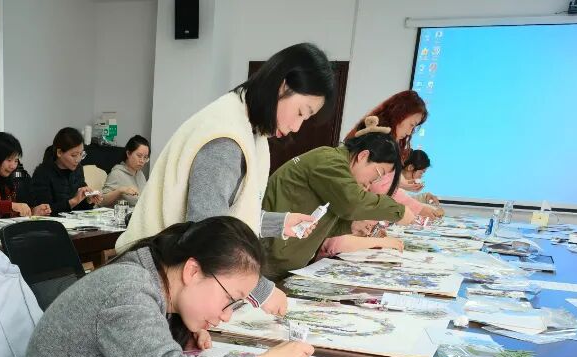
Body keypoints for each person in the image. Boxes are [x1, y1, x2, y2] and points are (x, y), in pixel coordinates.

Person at [114, 43, 337, 316]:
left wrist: (279, 223)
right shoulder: (226, 138)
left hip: (168, 281)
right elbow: (207, 230)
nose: (296, 127)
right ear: (282, 86)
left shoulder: (248, 127)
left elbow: (227, 214)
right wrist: (260, 290)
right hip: (150, 286)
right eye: (301, 112)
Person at [10, 216, 314, 357]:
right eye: (229, 300)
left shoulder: (151, 279)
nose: (225, 316)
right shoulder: (128, 288)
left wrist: (178, 327)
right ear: (192, 271)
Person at [262, 124, 416, 277]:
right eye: (378, 173)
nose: (372, 182)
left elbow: (319, 225)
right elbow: (353, 203)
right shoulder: (330, 161)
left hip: (281, 266)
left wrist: (350, 225)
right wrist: (399, 211)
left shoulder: (336, 168)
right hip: (266, 264)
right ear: (363, 156)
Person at [345, 91, 444, 219]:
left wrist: (403, 186)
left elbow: (384, 183)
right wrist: (419, 208)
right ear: (400, 114)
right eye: (411, 125)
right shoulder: (380, 141)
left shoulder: (384, 139)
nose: (410, 132)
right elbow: (380, 186)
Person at [30, 128, 99, 214]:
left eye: (81, 154)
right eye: (74, 155)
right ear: (59, 152)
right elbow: (44, 210)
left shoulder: (78, 169)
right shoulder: (42, 173)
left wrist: (88, 200)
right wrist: (73, 201)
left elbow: (80, 208)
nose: (78, 160)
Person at [101, 135, 150, 208]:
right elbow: (101, 201)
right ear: (128, 153)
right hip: (118, 213)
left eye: (145, 157)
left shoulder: (141, 174)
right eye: (139, 156)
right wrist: (120, 191)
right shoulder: (117, 174)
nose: (142, 161)